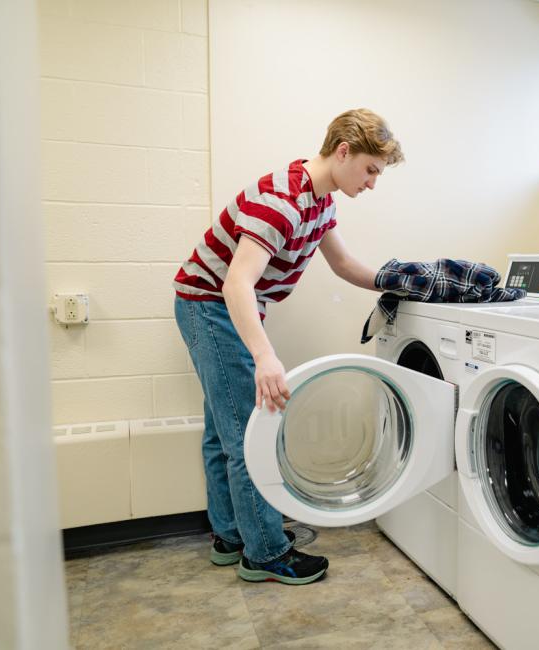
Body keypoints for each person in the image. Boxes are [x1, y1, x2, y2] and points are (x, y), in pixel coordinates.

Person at [173, 108, 403, 585]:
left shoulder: (319, 201)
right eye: (371, 170)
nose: (373, 183)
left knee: (224, 428)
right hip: (212, 305)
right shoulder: (281, 200)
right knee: (249, 432)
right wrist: (264, 356)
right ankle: (266, 553)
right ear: (344, 151)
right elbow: (237, 283)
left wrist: (396, 282)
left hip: (215, 304)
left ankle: (231, 535)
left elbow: (342, 265)